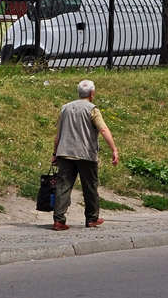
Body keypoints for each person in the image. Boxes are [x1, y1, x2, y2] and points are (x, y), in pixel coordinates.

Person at [51, 80, 120, 230]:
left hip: (65, 152)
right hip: (85, 153)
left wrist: (55, 153)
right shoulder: (92, 109)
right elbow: (103, 130)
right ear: (92, 94)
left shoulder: (65, 108)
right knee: (90, 186)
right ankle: (91, 218)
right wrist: (113, 149)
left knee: (63, 186)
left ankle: (59, 220)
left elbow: (59, 133)